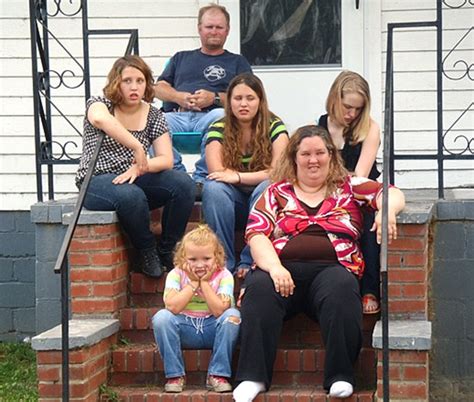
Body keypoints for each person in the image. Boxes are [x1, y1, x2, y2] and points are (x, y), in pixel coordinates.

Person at [232, 125, 405, 401]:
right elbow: (256, 235)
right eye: (306, 154)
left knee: (342, 286)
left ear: (331, 156)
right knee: (260, 286)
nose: (313, 160)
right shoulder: (276, 192)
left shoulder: (349, 186)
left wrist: (387, 210)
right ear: (294, 158)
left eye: (320, 153)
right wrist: (275, 267)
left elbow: (390, 192)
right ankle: (253, 377)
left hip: (331, 270)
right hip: (282, 271)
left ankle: (340, 375)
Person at [75, 55, 196, 278]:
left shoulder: (153, 114)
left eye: (140, 81)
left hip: (133, 175)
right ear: (116, 83)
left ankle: (168, 249)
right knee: (131, 195)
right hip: (96, 180)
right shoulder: (100, 104)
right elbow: (102, 121)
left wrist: (140, 168)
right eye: (127, 81)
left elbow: (165, 159)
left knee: (184, 185)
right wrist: (137, 146)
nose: (134, 87)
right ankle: (146, 252)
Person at [201, 73, 289, 274]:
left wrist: (238, 177)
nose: (244, 104)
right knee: (214, 188)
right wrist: (236, 178)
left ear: (260, 101)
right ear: (229, 101)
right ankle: (224, 262)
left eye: (250, 98)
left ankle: (249, 260)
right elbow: (216, 172)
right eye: (238, 98)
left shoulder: (274, 126)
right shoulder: (218, 127)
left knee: (267, 187)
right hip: (232, 204)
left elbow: (278, 172)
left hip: (264, 205)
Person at [154, 3, 252, 180]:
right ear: (199, 29)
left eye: (219, 27)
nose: (214, 31)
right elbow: (158, 89)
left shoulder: (237, 62)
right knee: (151, 120)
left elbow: (250, 97)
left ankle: (202, 177)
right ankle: (176, 176)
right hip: (178, 116)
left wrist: (213, 98)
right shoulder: (180, 57)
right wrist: (178, 97)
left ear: (227, 30)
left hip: (214, 117)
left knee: (220, 116)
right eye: (209, 27)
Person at [318, 70, 382, 314]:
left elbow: (360, 175)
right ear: (335, 99)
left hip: (360, 195)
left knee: (367, 224)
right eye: (347, 107)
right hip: (328, 194)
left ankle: (370, 289)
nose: (351, 114)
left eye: (357, 109)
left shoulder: (370, 128)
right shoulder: (322, 125)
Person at [151, 225, 240, 393]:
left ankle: (217, 374)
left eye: (206, 259)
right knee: (161, 318)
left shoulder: (224, 275)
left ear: (217, 257)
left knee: (232, 316)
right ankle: (175, 375)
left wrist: (204, 284)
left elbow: (220, 311)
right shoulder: (176, 274)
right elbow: (172, 306)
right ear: (183, 258)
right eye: (193, 259)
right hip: (185, 327)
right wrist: (192, 284)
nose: (200, 265)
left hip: (213, 328)